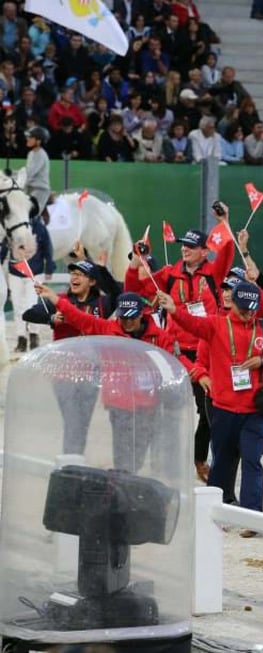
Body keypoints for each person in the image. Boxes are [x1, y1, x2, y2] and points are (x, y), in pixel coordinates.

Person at [156, 282, 263, 533]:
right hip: (224, 408)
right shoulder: (216, 325)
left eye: (253, 308)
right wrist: (173, 310)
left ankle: (252, 519)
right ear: (233, 304)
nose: (249, 313)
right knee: (222, 463)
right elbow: (192, 324)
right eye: (244, 308)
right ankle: (210, 515)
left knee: (252, 463)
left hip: (254, 410)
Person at [125, 206, 233, 482]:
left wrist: (225, 222)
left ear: (204, 251)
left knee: (208, 409)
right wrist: (138, 259)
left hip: (205, 351)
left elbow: (229, 252)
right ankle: (166, 459)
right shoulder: (170, 274)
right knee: (168, 409)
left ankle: (199, 458)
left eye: (191, 246)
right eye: (183, 245)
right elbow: (136, 287)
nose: (184, 249)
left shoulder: (213, 274)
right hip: (174, 350)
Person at [36, 287, 189, 472]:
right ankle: (122, 485)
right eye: (123, 318)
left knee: (144, 457)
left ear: (142, 314)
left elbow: (175, 362)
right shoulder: (108, 329)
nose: (127, 323)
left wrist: (198, 374)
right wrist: (55, 298)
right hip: (120, 407)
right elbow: (79, 318)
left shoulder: (160, 337)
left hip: (150, 407)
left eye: (132, 318)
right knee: (124, 461)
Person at [22, 256, 120, 457]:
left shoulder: (102, 303)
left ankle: (73, 460)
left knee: (80, 422)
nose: (74, 278)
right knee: (74, 421)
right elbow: (28, 314)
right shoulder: (61, 300)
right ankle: (71, 462)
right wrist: (51, 319)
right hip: (64, 374)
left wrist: (100, 267)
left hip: (91, 373)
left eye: (80, 274)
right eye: (72, 274)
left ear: (92, 281)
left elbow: (119, 293)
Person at [4, 209, 54, 352]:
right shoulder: (11, 227)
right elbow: (5, 247)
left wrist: (49, 267)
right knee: (18, 306)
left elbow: (47, 248)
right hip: (15, 272)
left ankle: (34, 335)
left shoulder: (39, 227)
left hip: (35, 273)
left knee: (32, 304)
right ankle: (21, 338)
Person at [21, 125, 50, 210]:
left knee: (31, 214)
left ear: (39, 141)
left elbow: (29, 172)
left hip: (39, 189)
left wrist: (14, 174)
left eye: (31, 137)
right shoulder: (31, 154)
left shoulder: (41, 154)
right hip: (29, 188)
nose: (27, 139)